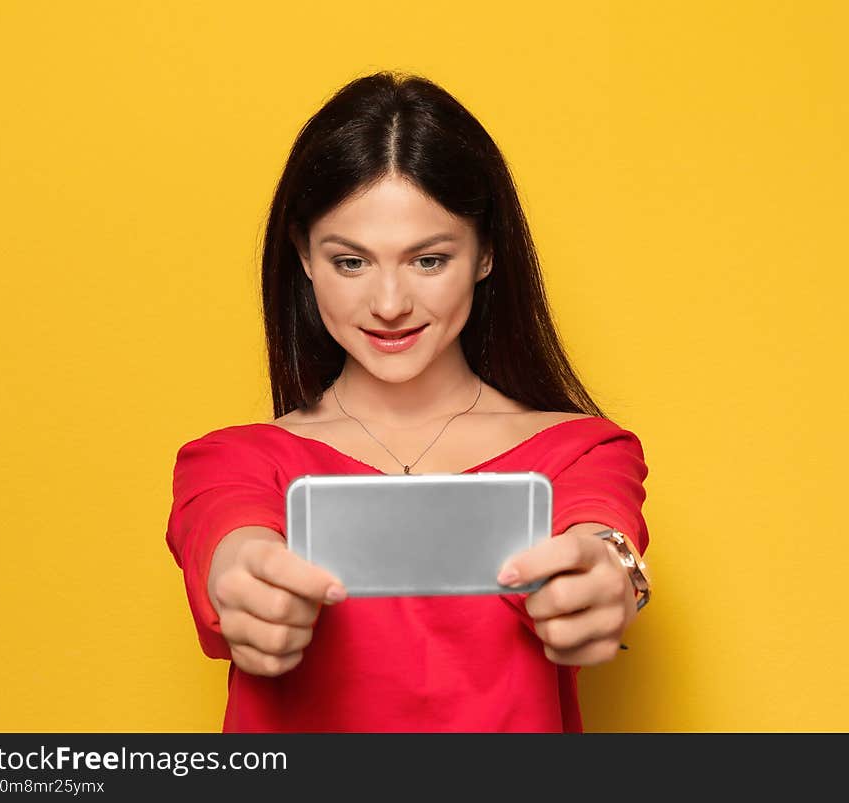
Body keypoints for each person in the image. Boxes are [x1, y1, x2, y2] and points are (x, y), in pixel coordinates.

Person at [165, 71, 652, 733]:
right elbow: (228, 534)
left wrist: (610, 573)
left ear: (484, 253)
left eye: (428, 260)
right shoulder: (232, 460)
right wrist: (244, 578)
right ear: (304, 256)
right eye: (351, 262)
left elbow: (600, 529)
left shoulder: (581, 450)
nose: (390, 305)